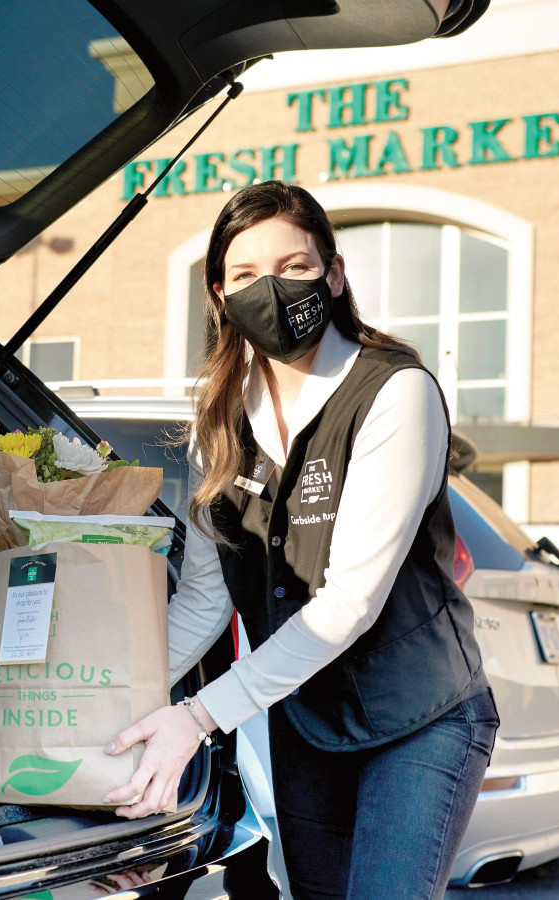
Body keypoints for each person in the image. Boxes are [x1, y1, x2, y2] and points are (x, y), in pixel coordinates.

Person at [102, 181, 498, 900]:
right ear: (220, 296)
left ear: (335, 275)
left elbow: (349, 602)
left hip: (422, 717)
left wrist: (195, 718)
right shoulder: (219, 423)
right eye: (248, 275)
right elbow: (202, 600)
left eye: (295, 266)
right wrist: (111, 717)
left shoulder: (393, 393)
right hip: (308, 724)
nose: (273, 289)